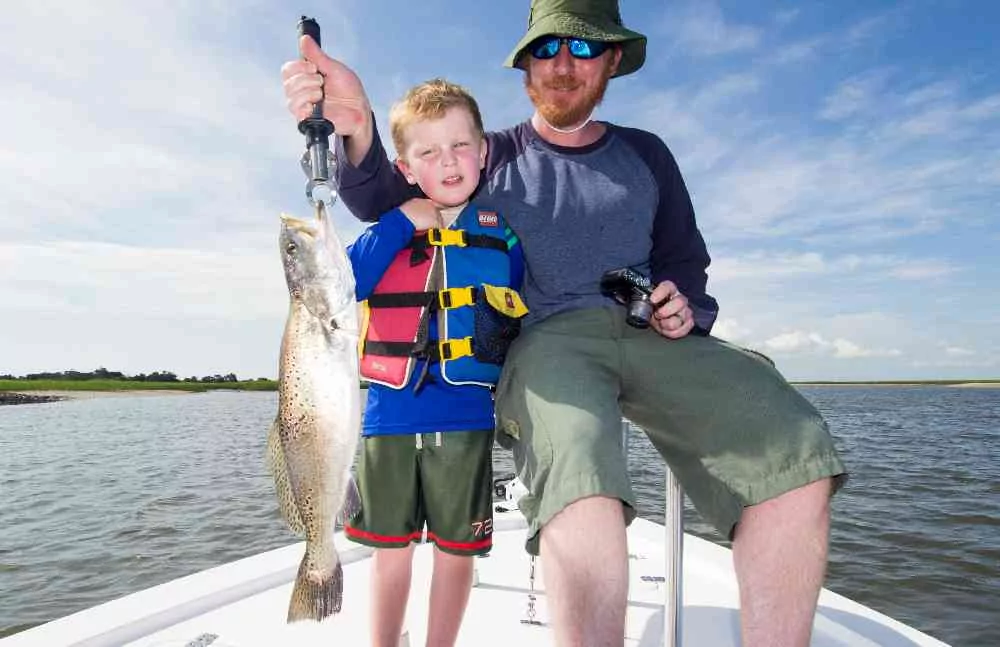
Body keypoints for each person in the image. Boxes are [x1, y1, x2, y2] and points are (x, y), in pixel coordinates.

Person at [282, 1, 848, 645]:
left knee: (793, 443)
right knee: (583, 479)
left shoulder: (648, 155)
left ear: (611, 61)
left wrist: (683, 301)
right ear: (525, 67)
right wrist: (357, 129)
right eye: (546, 49)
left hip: (655, 339)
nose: (561, 64)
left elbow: (685, 259)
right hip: (550, 345)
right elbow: (387, 196)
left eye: (582, 49)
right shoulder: (484, 155)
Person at [342, 78, 526, 647]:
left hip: (466, 419)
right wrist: (402, 223)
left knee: (456, 552)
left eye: (460, 146)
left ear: (483, 152)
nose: (447, 162)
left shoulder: (504, 238)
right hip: (387, 420)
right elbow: (344, 282)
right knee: (389, 553)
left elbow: (519, 313)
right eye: (428, 151)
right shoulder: (386, 232)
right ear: (405, 167)